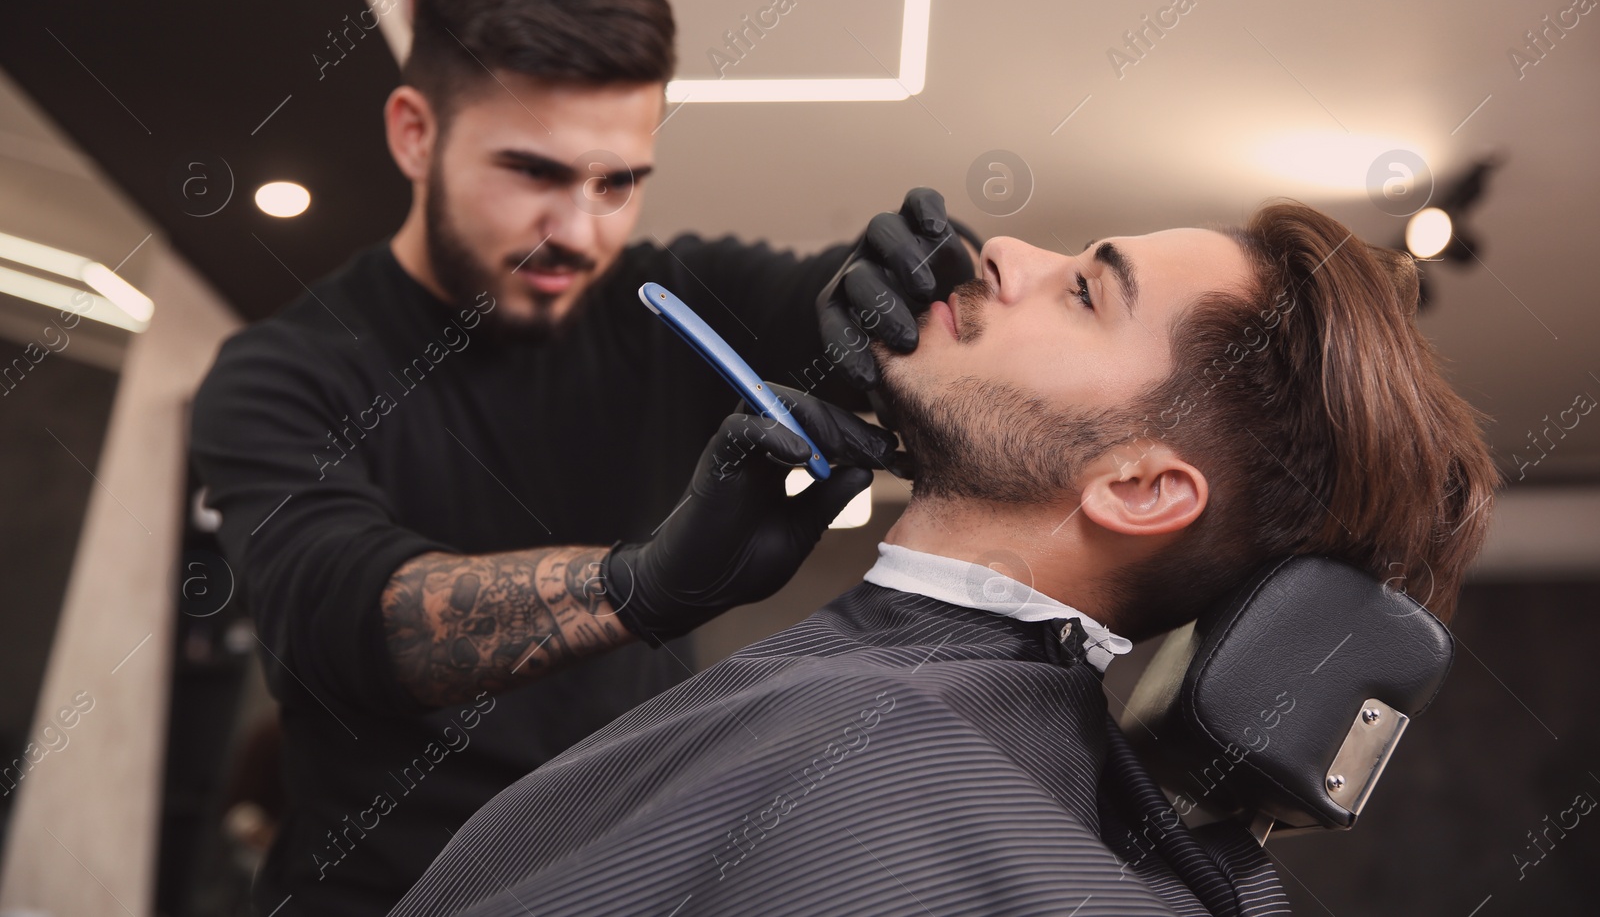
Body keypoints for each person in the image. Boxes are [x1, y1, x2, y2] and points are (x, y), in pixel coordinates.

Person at [386, 200, 1499, 917]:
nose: (1003, 248)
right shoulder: (949, 746)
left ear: (1139, 485)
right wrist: (644, 584)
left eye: (1083, 289)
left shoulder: (893, 767)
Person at [188, 0, 973, 916]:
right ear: (413, 132)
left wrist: (928, 285)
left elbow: (821, 300)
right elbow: (349, 616)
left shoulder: (672, 296)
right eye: (534, 172)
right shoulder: (280, 371)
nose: (580, 232)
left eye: (618, 182)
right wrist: (638, 586)